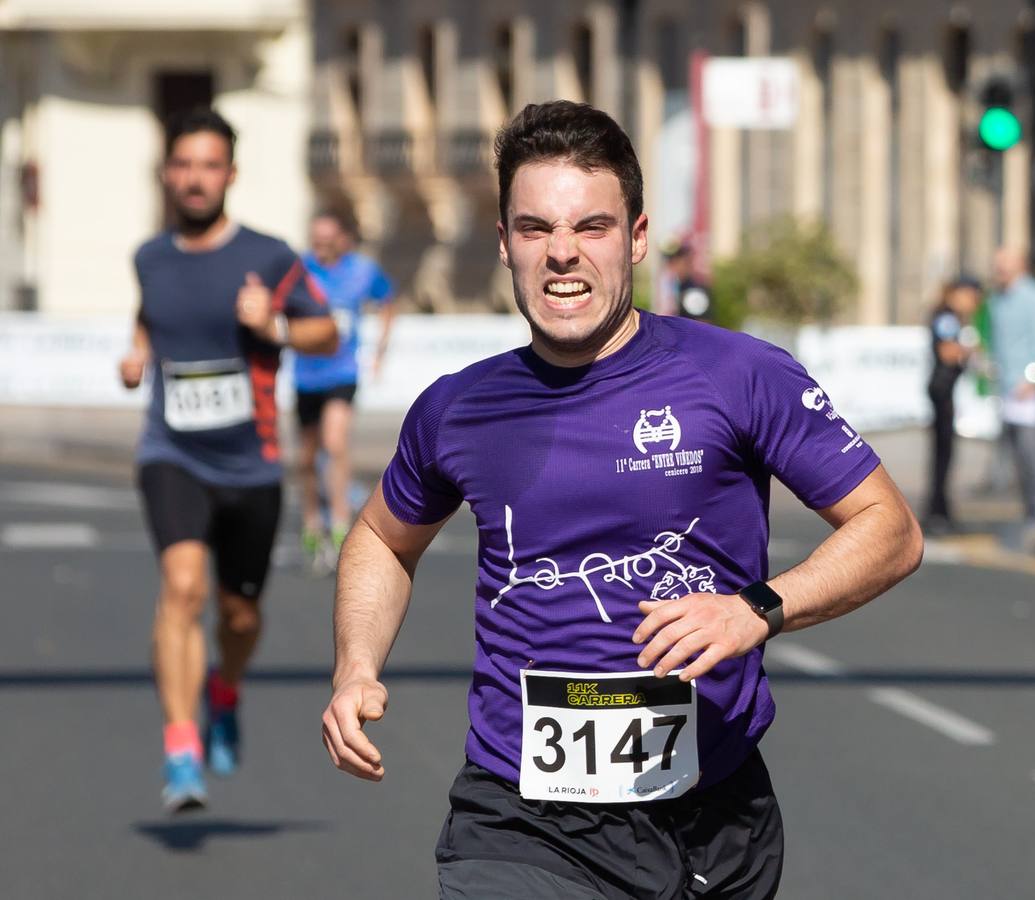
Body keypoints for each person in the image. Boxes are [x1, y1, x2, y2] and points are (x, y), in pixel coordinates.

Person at [319, 101, 923, 898]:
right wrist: (355, 665)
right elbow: (382, 539)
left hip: (711, 813)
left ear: (636, 237)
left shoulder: (738, 375)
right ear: (504, 243)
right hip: (518, 816)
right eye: (534, 229)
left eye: (591, 227)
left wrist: (755, 609)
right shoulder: (458, 408)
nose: (562, 254)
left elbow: (891, 529)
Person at [120, 108, 337, 813]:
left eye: (209, 165)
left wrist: (271, 325)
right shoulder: (149, 257)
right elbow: (151, 315)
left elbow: (327, 331)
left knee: (238, 616)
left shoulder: (270, 257)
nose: (194, 178)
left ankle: (224, 691)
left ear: (230, 175)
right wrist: (138, 353)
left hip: (252, 463)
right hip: (171, 451)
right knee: (180, 589)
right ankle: (180, 751)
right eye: (183, 164)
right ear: (166, 173)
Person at [293, 210, 399, 574]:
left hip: (342, 371)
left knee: (335, 443)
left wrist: (380, 351)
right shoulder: (299, 270)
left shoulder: (361, 271)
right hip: (306, 374)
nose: (320, 249)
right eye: (315, 241)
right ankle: (311, 522)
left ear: (340, 239)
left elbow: (388, 301)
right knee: (306, 458)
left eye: (326, 241)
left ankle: (339, 523)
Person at [985, 248, 1035, 523]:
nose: (999, 271)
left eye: (1005, 265)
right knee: (1014, 454)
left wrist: (1033, 379)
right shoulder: (997, 299)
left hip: (1028, 389)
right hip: (1006, 387)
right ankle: (1029, 508)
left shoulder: (1034, 297)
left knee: (1032, 452)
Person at [925, 278, 982, 533]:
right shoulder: (947, 318)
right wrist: (970, 350)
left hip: (946, 391)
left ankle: (942, 509)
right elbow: (948, 353)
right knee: (942, 455)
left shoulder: (952, 318)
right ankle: (937, 513)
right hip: (941, 390)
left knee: (946, 454)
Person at [665, 243, 715, 321]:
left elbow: (703, 323)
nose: (674, 268)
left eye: (679, 263)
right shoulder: (672, 286)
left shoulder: (695, 291)